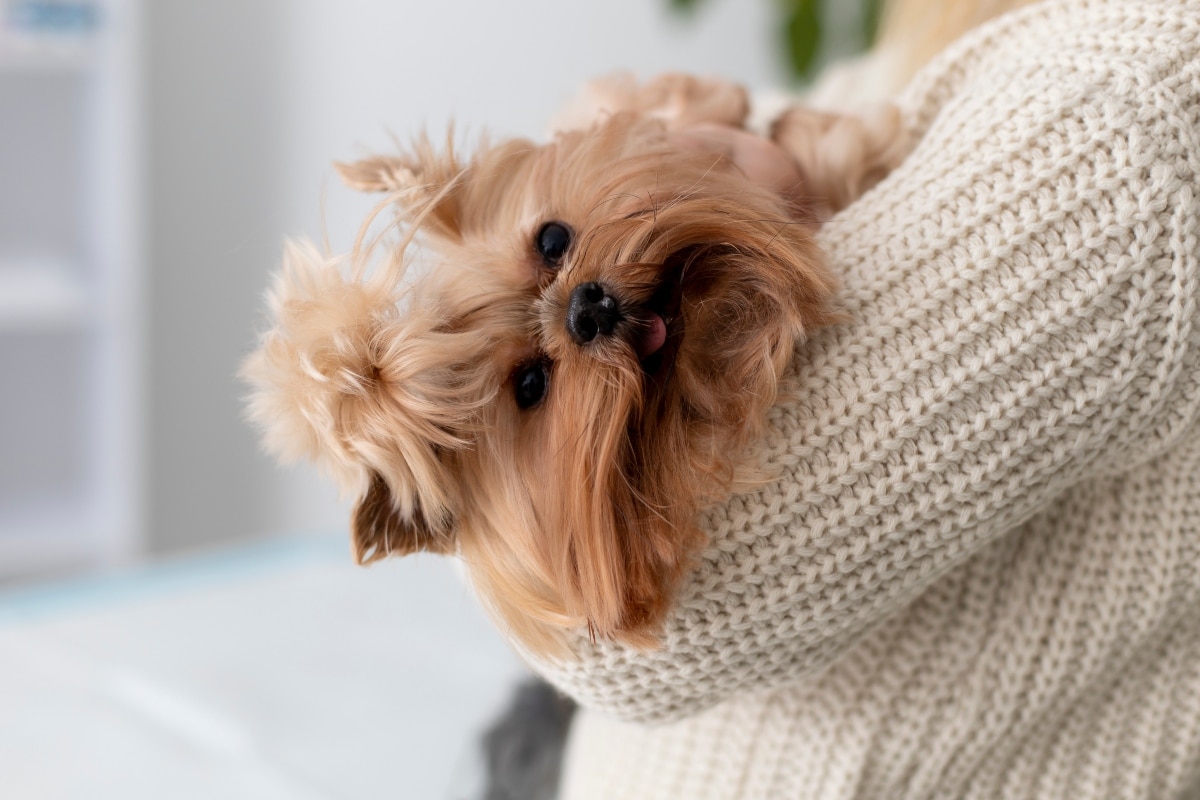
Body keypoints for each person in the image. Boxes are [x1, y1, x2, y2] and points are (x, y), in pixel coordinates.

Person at [521, 0, 1200, 797]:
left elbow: (610, 633)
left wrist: (453, 432)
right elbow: (819, 118)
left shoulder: (1133, 133)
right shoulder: (990, 37)